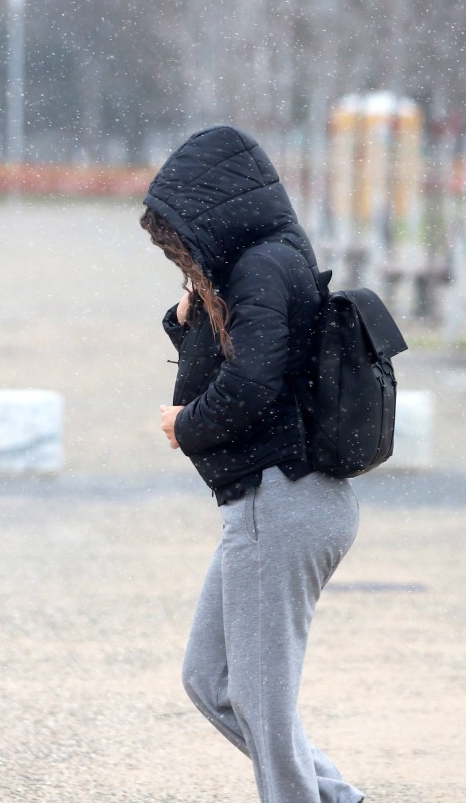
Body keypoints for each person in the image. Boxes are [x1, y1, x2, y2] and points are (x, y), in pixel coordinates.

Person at [142, 126, 365, 803]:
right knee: (210, 679)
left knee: (263, 704)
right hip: (269, 503)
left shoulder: (263, 266)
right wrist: (189, 322)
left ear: (214, 211)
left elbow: (251, 386)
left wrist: (185, 425)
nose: (182, 257)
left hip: (282, 501)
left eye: (182, 240)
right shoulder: (262, 264)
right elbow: (244, 364)